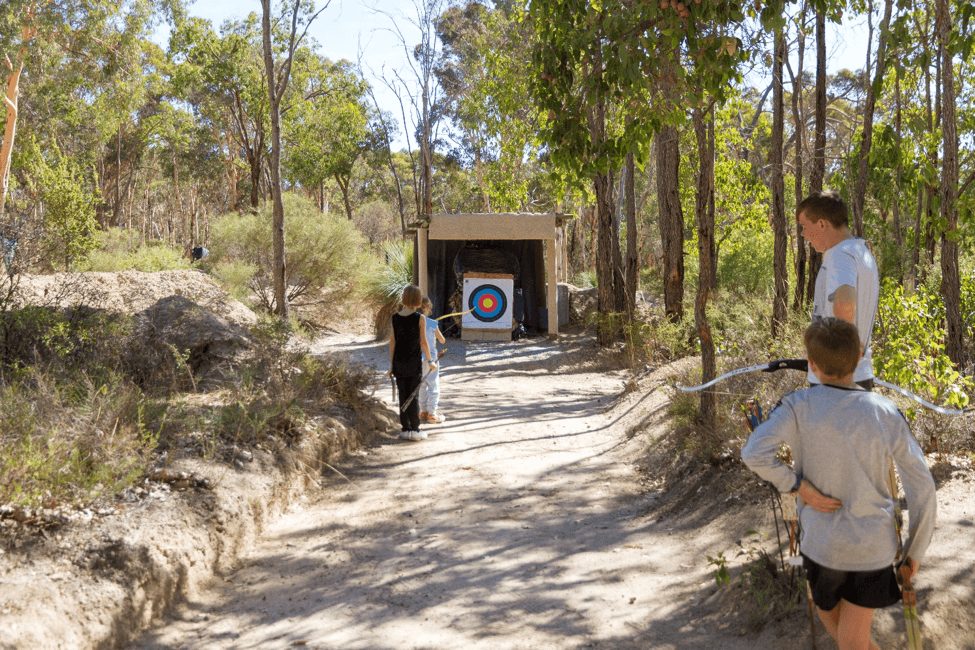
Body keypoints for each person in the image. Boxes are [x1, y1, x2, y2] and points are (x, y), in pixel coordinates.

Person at [741, 318, 937, 650]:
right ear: (860, 355)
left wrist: (797, 486)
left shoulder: (798, 406)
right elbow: (923, 486)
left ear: (812, 365)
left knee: (849, 639)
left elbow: (753, 453)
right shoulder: (884, 411)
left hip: (824, 546)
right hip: (866, 548)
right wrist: (914, 550)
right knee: (845, 633)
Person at [797, 191, 879, 389]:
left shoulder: (839, 255)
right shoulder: (860, 252)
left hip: (835, 380)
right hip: (857, 376)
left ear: (822, 224)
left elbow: (845, 304)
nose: (803, 234)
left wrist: (834, 364)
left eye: (804, 227)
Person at [389, 285, 437, 441]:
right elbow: (423, 343)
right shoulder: (420, 318)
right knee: (413, 396)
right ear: (417, 300)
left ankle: (405, 429)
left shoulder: (395, 318)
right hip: (413, 363)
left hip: (399, 363)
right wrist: (430, 361)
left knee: (404, 396)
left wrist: (391, 365)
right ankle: (415, 430)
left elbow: (392, 343)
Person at [418, 296, 447, 424]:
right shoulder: (432, 323)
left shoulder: (412, 322)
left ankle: (423, 411)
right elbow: (442, 340)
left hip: (417, 358)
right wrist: (435, 327)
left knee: (422, 385)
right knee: (433, 385)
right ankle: (432, 414)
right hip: (431, 359)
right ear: (427, 308)